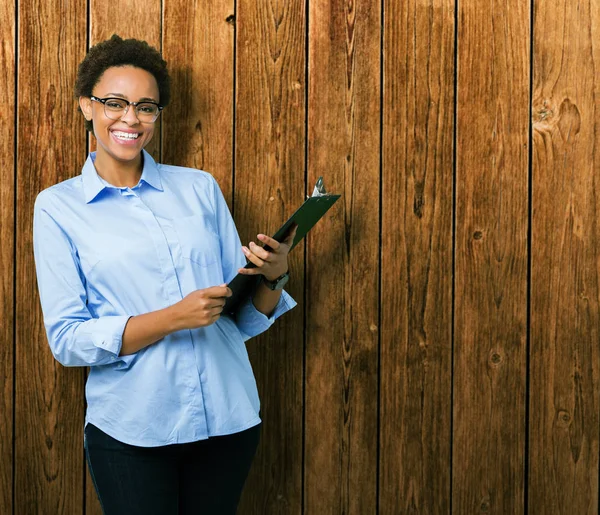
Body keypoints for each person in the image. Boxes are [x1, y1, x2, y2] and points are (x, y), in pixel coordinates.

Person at [32, 34, 296, 515]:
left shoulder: (199, 189)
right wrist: (174, 316)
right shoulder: (57, 207)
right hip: (134, 428)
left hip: (229, 419)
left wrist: (272, 277)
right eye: (114, 103)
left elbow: (236, 317)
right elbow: (68, 340)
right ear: (86, 107)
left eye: (146, 107)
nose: (130, 118)